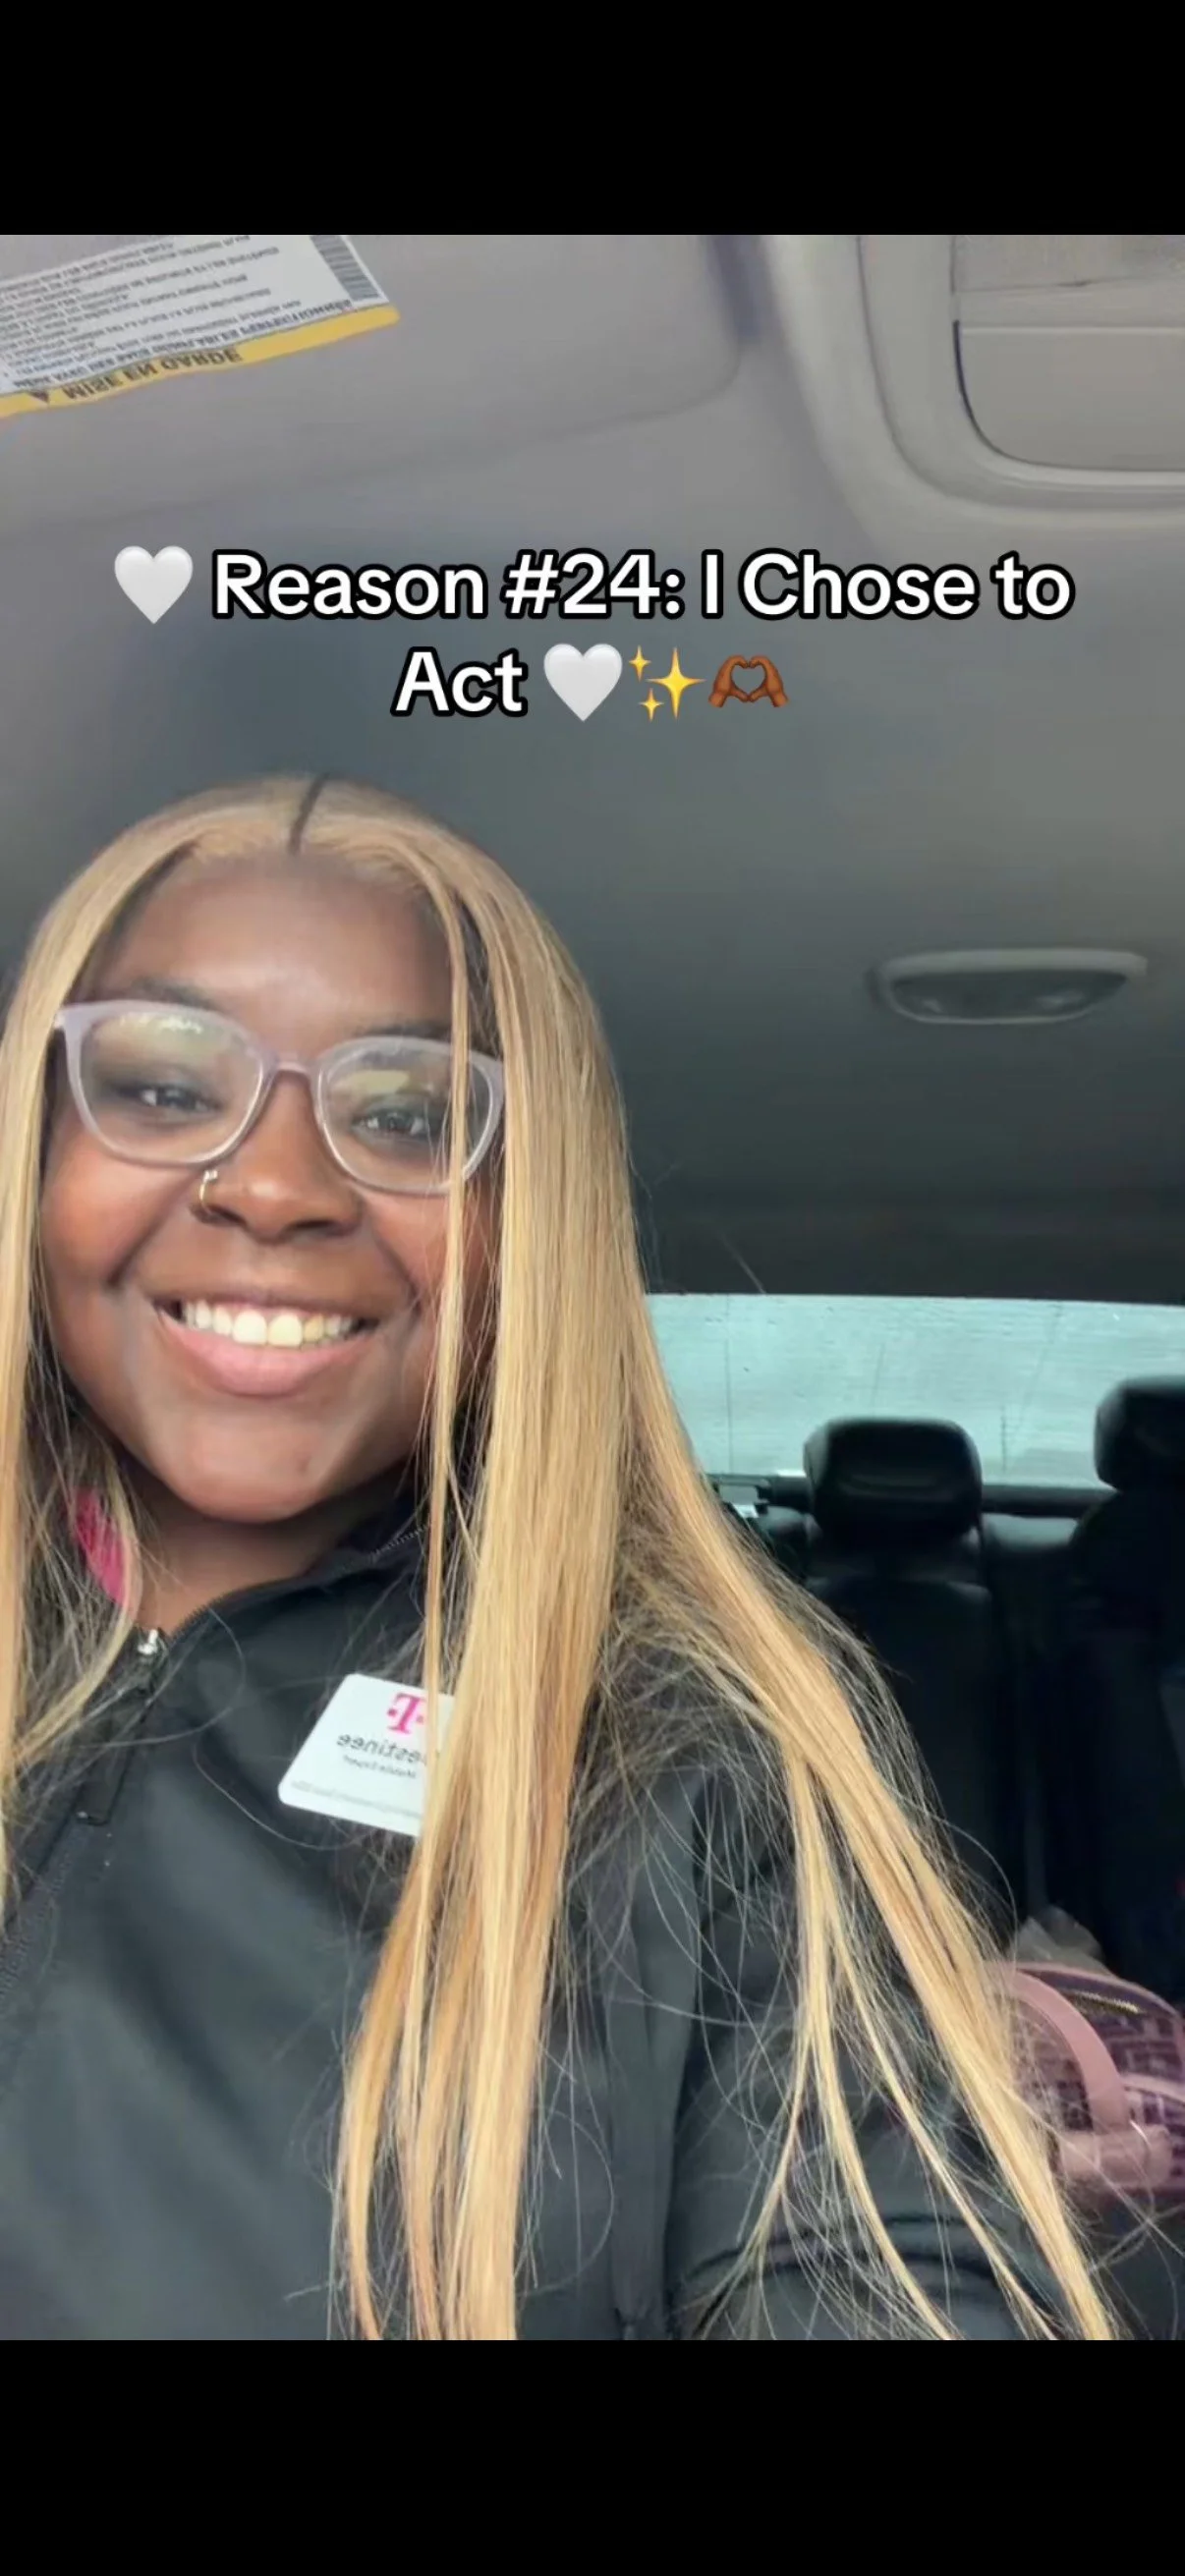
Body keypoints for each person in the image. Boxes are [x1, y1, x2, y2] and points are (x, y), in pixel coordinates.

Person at [0, 774, 1112, 2341]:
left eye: (406, 1115)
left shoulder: (701, 1758)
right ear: (35, 1154)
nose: (274, 1184)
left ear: (528, 1221)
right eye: (166, 1085)